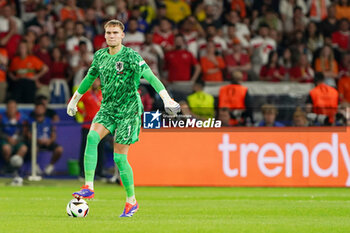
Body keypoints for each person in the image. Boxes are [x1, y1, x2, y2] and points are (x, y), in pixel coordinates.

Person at [66, 19, 180, 217]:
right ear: (105, 35)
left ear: (122, 35)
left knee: (119, 157)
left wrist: (167, 99)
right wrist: (74, 100)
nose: (111, 36)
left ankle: (131, 201)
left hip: (129, 109)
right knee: (92, 138)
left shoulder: (131, 56)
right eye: (108, 32)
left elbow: (151, 77)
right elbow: (89, 79)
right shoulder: (100, 56)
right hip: (108, 107)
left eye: (115, 33)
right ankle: (89, 186)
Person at [76, 78, 106, 181]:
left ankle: (99, 173)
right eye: (93, 81)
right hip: (87, 126)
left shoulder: (104, 93)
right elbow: (72, 101)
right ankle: (82, 173)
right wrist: (81, 112)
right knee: (85, 150)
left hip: (101, 126)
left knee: (101, 150)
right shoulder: (86, 94)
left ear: (99, 82)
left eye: (97, 81)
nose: (95, 83)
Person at [27, 102, 63, 175]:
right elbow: (28, 134)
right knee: (34, 148)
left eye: (41, 108)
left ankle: (50, 166)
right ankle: (35, 166)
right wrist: (37, 140)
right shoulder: (31, 120)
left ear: (44, 110)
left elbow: (53, 133)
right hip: (36, 142)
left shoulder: (49, 121)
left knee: (59, 149)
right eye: (38, 108)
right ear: (35, 109)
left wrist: (50, 140)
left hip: (48, 142)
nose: (39, 110)